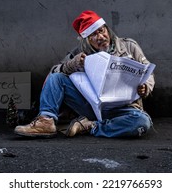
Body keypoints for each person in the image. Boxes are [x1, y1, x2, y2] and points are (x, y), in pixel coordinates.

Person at [14, 10, 155, 138]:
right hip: (91, 106)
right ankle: (46, 121)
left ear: (107, 29)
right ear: (86, 40)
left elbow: (148, 73)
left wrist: (145, 87)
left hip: (124, 109)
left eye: (102, 30)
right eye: (94, 34)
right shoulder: (78, 53)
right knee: (56, 78)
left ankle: (90, 126)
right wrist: (71, 65)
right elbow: (53, 73)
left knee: (141, 122)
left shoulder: (129, 46)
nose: (101, 36)